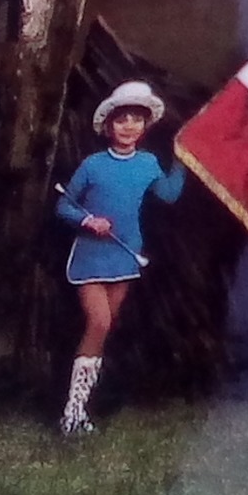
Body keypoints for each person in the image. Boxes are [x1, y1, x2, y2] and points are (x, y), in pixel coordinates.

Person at [54, 81, 186, 436]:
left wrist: (183, 160)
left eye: (137, 120)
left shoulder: (147, 164)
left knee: (107, 325)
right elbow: (63, 204)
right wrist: (87, 220)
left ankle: (81, 412)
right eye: (122, 120)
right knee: (98, 322)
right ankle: (72, 412)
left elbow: (170, 194)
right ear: (108, 125)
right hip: (90, 257)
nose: (129, 127)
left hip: (126, 257)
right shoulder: (93, 164)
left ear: (146, 126)